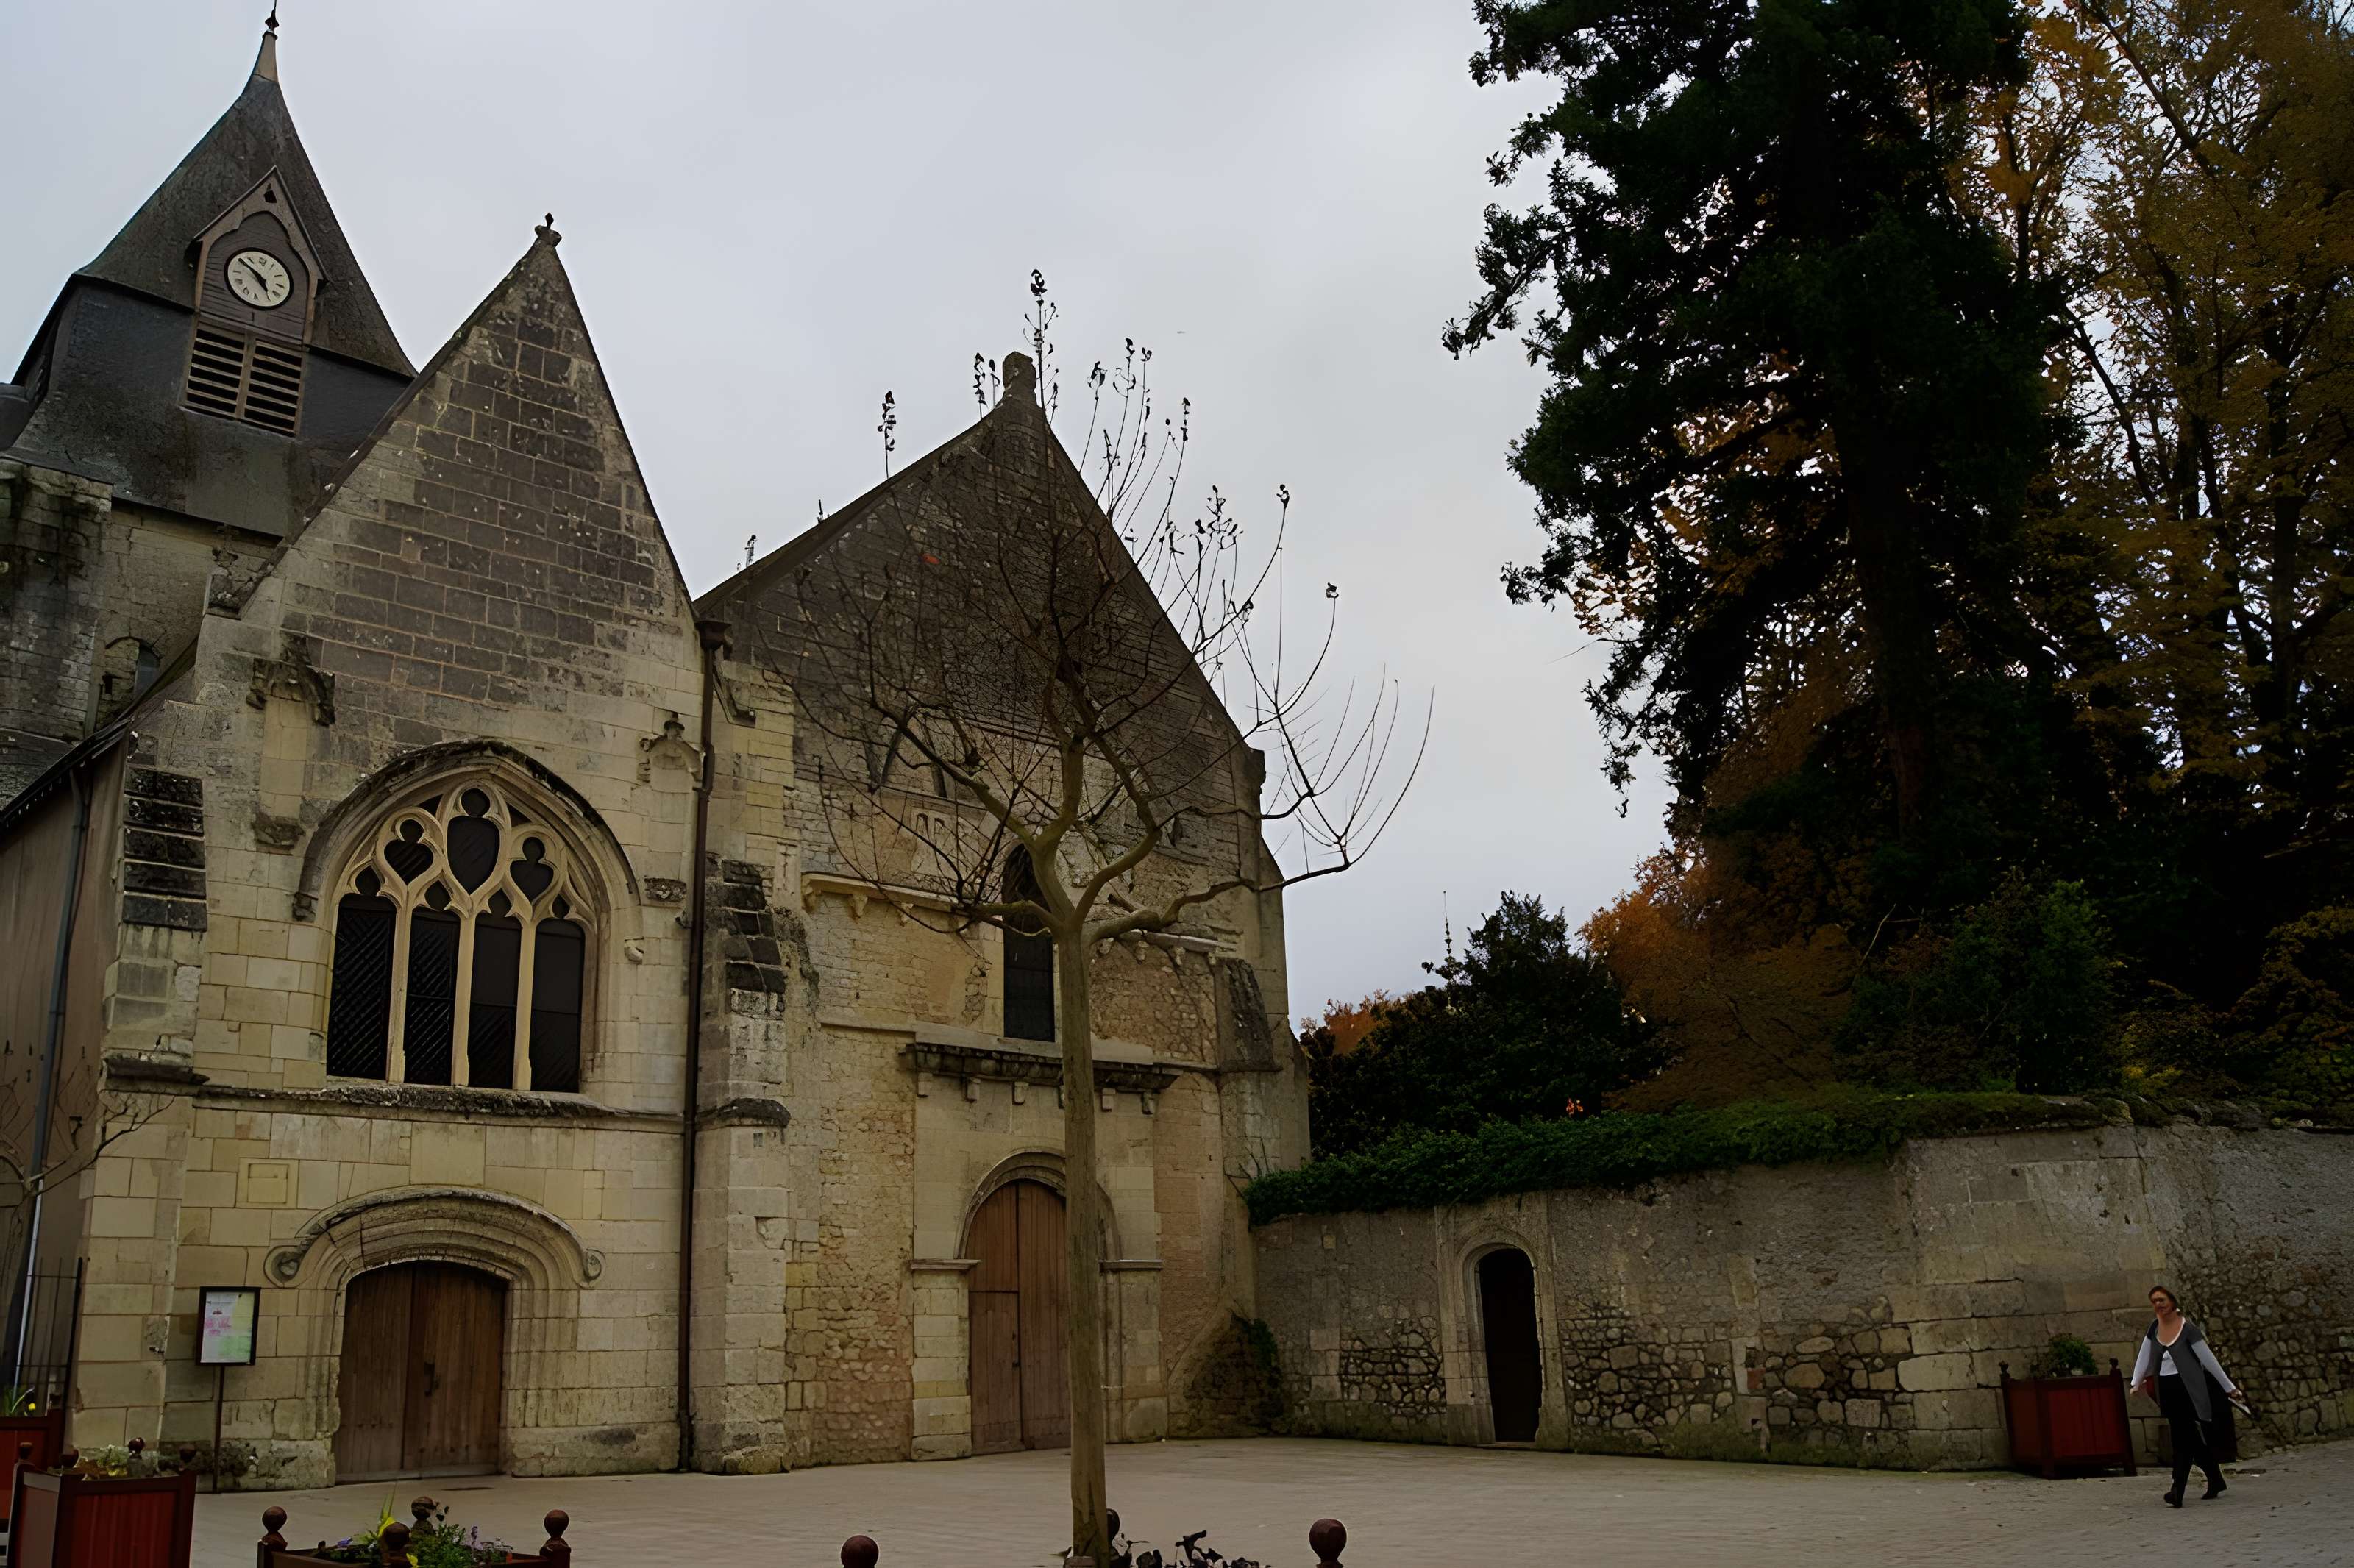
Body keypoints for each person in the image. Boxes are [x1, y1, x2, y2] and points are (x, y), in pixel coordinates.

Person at [2130, 1284, 2250, 1506]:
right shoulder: (2154, 1329)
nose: (2158, 1305)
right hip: (2166, 1388)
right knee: (2189, 1437)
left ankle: (2178, 1489)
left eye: (2162, 1300)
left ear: (2172, 1302)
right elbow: (2144, 1355)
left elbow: (2208, 1360)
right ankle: (2215, 1478)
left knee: (2182, 1437)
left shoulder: (2188, 1330)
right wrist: (2136, 1382)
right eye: (2154, 1301)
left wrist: (2228, 1387)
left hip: (2187, 1388)